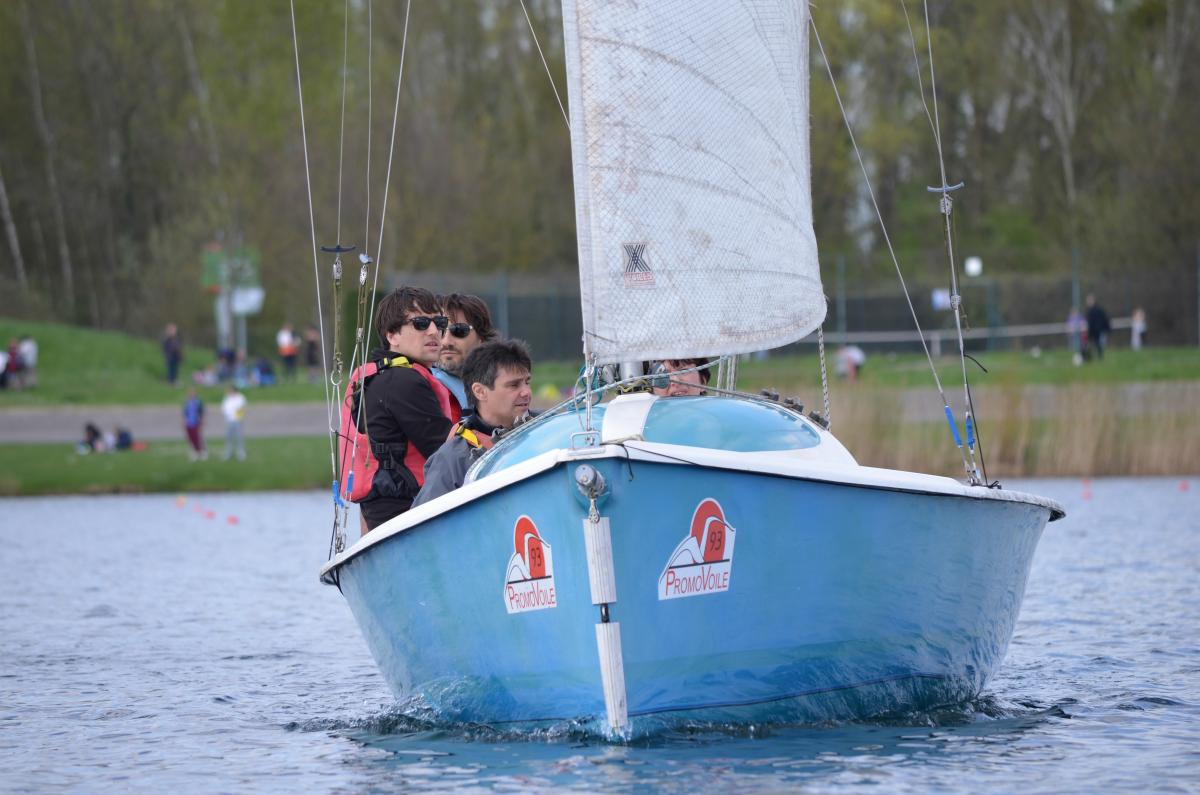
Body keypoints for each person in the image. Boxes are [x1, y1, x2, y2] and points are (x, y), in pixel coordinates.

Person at [357, 286, 456, 531]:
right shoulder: (403, 381)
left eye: (439, 323)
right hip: (405, 517)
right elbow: (447, 453)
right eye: (421, 324)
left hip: (385, 515)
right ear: (392, 335)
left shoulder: (384, 376)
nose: (434, 331)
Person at [413, 339, 533, 508]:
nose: (526, 392)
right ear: (480, 391)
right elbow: (425, 519)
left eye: (527, 382)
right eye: (514, 385)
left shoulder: (547, 428)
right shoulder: (452, 459)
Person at [433, 293, 499, 417]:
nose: (446, 342)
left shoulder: (502, 381)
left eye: (459, 330)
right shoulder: (421, 386)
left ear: (482, 337)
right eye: (440, 330)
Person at [221, 384, 247, 460]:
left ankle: (241, 453)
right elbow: (223, 407)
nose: (229, 392)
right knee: (229, 438)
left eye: (230, 390)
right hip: (229, 420)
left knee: (239, 437)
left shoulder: (240, 397)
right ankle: (228, 453)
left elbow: (242, 408)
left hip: (237, 420)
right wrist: (226, 415)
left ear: (234, 390)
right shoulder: (227, 398)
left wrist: (239, 417)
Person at [1085, 294, 1111, 361]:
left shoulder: (1098, 310)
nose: (1088, 302)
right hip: (1094, 331)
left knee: (1097, 344)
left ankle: (1098, 357)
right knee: (1093, 344)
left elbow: (1105, 319)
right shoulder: (1091, 310)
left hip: (1097, 331)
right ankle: (1090, 357)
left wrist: (1106, 328)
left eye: (1089, 300)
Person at [183, 388, 207, 461]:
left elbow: (201, 412)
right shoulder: (187, 402)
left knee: (198, 438)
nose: (191, 394)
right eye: (190, 393)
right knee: (191, 438)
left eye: (193, 393)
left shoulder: (198, 402)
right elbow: (185, 413)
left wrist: (202, 420)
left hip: (196, 422)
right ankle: (195, 452)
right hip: (189, 422)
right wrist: (184, 421)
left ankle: (202, 452)